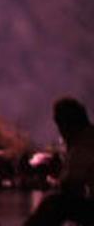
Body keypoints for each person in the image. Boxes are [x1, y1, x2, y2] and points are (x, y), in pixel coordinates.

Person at [25, 97, 94, 226]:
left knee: (54, 203)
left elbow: (69, 185)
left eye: (59, 124)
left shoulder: (83, 144)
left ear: (68, 124)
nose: (60, 131)